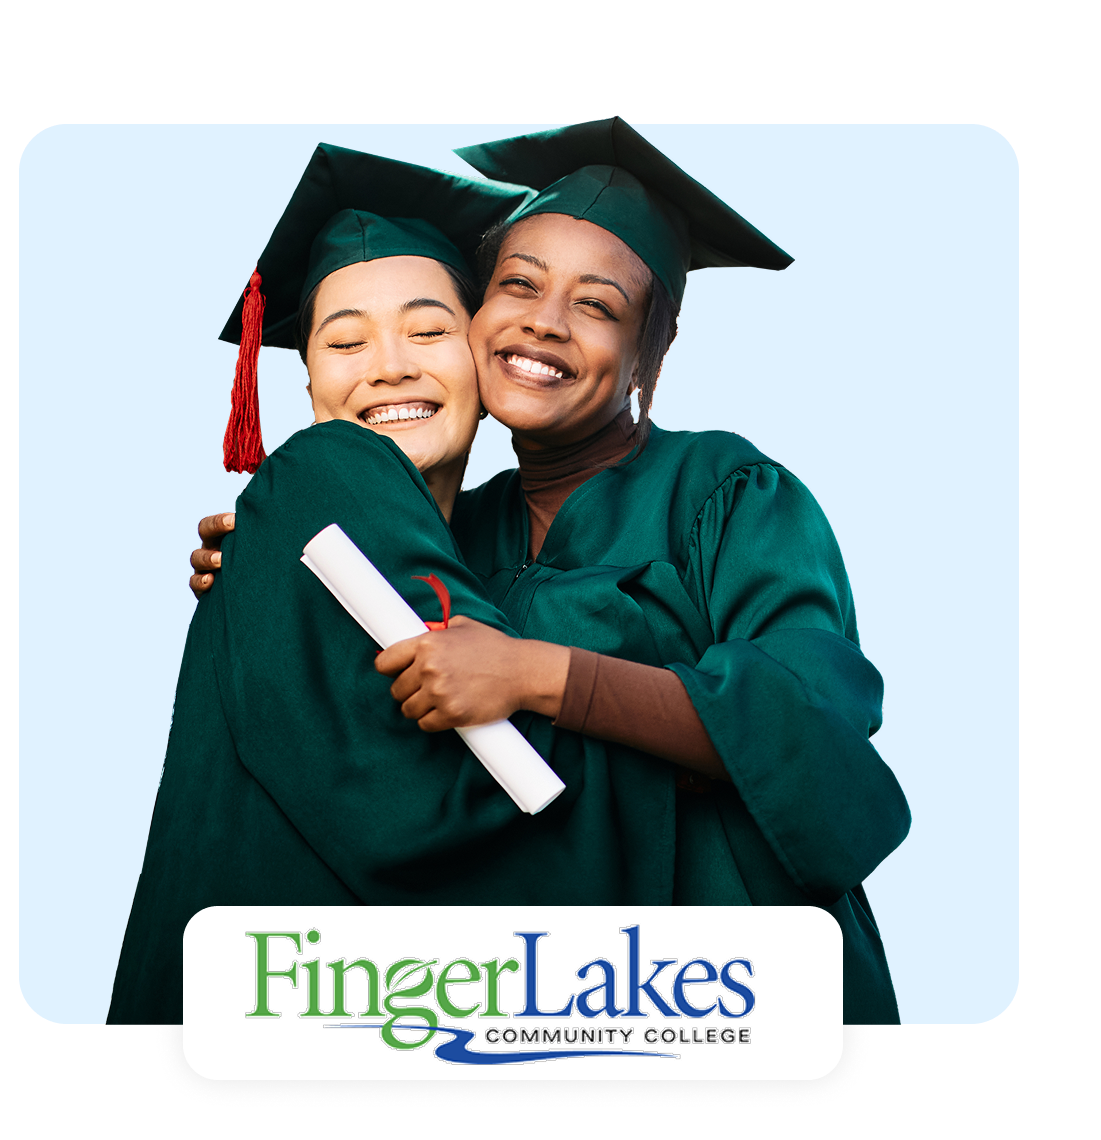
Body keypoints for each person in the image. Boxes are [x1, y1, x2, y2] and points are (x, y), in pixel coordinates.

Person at [187, 123, 912, 1024]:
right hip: (547, 998)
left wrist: (538, 675)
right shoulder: (449, 532)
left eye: (599, 306)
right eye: (518, 285)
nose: (545, 320)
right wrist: (266, 571)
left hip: (738, 984)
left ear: (652, 350)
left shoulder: (729, 493)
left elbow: (807, 730)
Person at [108, 145, 679, 1025]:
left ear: (486, 366)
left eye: (428, 330)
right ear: (306, 383)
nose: (389, 367)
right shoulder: (330, 469)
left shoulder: (467, 548)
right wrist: (637, 647)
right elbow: (494, 805)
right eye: (344, 341)